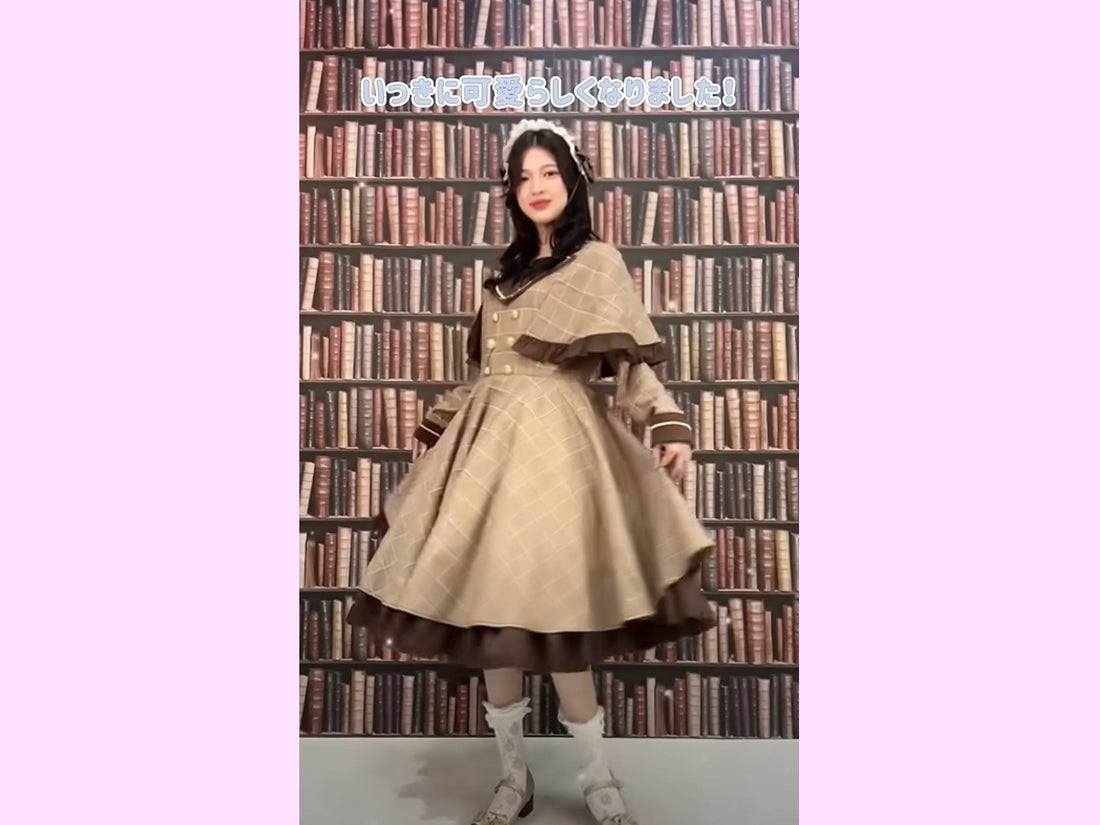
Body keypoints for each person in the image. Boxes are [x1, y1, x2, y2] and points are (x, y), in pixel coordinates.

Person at [347, 118, 717, 825]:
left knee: (562, 614)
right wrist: (438, 423)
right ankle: (512, 780)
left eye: (548, 172)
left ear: (572, 180)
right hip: (486, 454)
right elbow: (486, 376)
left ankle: (598, 780)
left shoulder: (598, 263)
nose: (535, 186)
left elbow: (630, 368)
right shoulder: (501, 277)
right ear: (511, 191)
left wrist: (668, 422)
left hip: (560, 453)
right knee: (494, 616)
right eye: (522, 177)